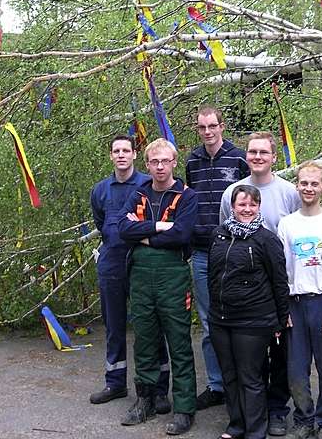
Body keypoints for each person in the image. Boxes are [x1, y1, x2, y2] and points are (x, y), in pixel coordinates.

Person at [220, 131, 301, 436]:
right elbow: (224, 235)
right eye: (252, 151)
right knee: (251, 358)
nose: (257, 157)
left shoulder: (288, 192)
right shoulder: (233, 192)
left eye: (263, 152)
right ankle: (249, 410)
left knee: (280, 352)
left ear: (273, 157)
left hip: (279, 284)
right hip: (244, 292)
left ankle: (277, 408)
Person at [118, 138, 198, 435]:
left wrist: (145, 235)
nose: (160, 167)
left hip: (172, 278)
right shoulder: (139, 193)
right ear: (147, 164)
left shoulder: (187, 196)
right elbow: (122, 229)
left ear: (174, 162)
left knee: (179, 343)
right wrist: (159, 227)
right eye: (154, 162)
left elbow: (181, 235)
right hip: (140, 277)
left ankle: (184, 408)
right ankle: (145, 400)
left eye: (165, 161)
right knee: (144, 341)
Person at [89, 135, 171, 411]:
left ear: (135, 155)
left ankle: (158, 389)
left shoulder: (147, 186)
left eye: (126, 150)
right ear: (111, 156)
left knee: (150, 326)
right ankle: (115, 382)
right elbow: (101, 223)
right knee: (114, 325)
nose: (121, 155)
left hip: (142, 263)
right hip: (112, 264)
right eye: (116, 151)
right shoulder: (100, 190)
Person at [209, 184, 290, 439]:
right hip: (221, 318)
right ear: (232, 206)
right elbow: (212, 274)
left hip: (254, 319)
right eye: (241, 204)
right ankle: (236, 426)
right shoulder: (219, 235)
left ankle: (256, 431)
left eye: (251, 204)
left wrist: (280, 318)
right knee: (229, 375)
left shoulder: (267, 239)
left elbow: (279, 281)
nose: (246, 209)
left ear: (258, 207)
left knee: (250, 376)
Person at [277, 161, 322, 439]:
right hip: (295, 303)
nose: (308, 188)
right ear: (297, 185)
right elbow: (280, 269)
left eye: (314, 183)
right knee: (296, 370)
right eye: (304, 183)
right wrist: (283, 308)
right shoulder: (287, 224)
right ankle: (304, 418)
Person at [185, 104, 249, 410]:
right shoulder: (192, 162)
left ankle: (243, 383)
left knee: (239, 319)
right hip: (201, 253)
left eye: (212, 126)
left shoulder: (238, 158)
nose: (208, 132)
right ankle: (216, 385)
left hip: (234, 251)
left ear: (222, 126)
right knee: (210, 323)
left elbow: (250, 202)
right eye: (202, 127)